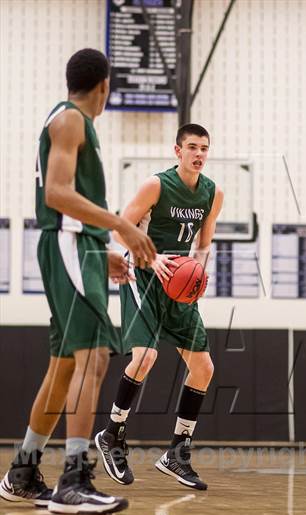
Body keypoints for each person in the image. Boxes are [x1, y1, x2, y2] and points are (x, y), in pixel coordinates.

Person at [0, 48, 156, 514]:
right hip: (68, 246)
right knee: (94, 358)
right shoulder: (70, 120)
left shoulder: (69, 120)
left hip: (75, 246)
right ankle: (74, 480)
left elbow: (66, 206)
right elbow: (56, 193)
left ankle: (23, 471)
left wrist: (97, 248)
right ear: (104, 86)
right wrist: (122, 227)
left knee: (64, 367)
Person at [95, 123, 223, 490]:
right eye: (193, 147)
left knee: (203, 368)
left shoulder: (212, 193)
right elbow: (120, 230)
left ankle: (177, 453)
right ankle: (113, 433)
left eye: (204, 148)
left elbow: (203, 242)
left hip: (179, 284)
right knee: (146, 356)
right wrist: (151, 260)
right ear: (177, 151)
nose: (199, 154)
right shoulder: (156, 185)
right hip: (144, 276)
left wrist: (199, 271)